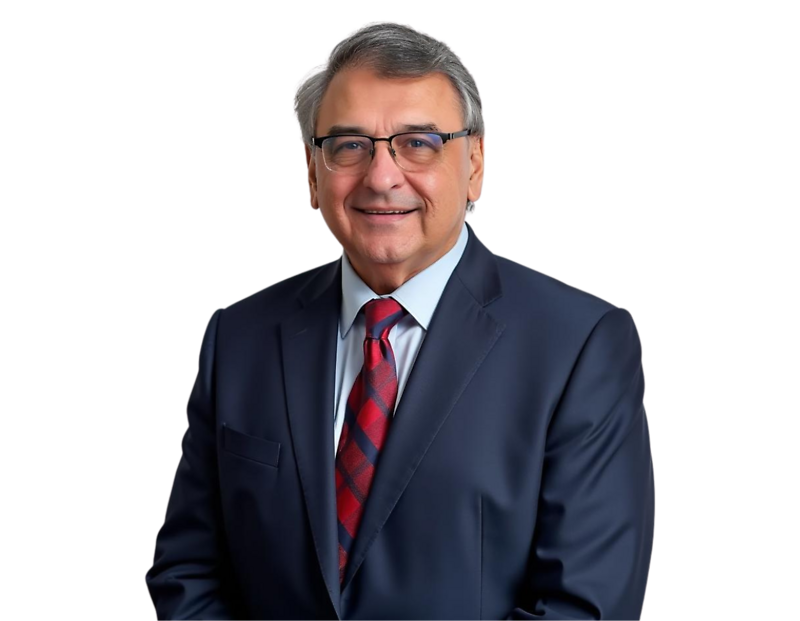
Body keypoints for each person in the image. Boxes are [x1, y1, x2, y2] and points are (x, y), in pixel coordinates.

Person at [144, 20, 655, 620]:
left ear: (475, 163)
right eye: (349, 144)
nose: (382, 177)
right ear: (312, 172)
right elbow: (188, 571)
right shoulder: (240, 335)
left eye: (418, 142)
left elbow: (585, 605)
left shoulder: (581, 344)